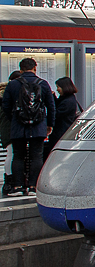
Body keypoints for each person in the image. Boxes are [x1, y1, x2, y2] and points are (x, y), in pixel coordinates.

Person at [0, 58, 55, 195]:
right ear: (35, 68)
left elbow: (5, 105)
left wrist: (14, 118)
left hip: (18, 125)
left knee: (18, 156)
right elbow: (51, 106)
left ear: (20, 69)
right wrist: (49, 124)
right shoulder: (43, 83)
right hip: (38, 125)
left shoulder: (13, 84)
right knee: (36, 156)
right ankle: (33, 187)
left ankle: (18, 186)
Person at [44, 76, 81, 159]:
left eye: (58, 87)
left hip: (61, 131)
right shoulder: (67, 99)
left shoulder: (67, 102)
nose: (57, 89)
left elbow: (57, 114)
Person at [0, 70, 19, 196]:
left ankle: (9, 180)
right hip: (10, 128)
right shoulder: (9, 95)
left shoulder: (4, 94)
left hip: (7, 128)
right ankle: (9, 181)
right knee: (11, 154)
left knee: (11, 154)